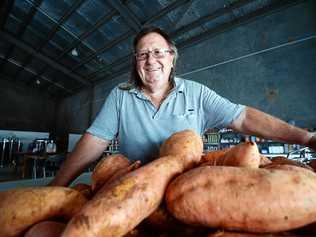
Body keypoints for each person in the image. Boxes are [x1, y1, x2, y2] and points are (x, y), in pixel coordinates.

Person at [50, 26, 316, 186]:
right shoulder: (121, 95)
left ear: (172, 58)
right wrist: (57, 185)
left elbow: (244, 118)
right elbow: (95, 140)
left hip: (186, 187)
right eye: (142, 54)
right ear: (135, 62)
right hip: (133, 189)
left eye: (158, 52)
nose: (150, 60)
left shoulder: (196, 93)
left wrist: (306, 137)